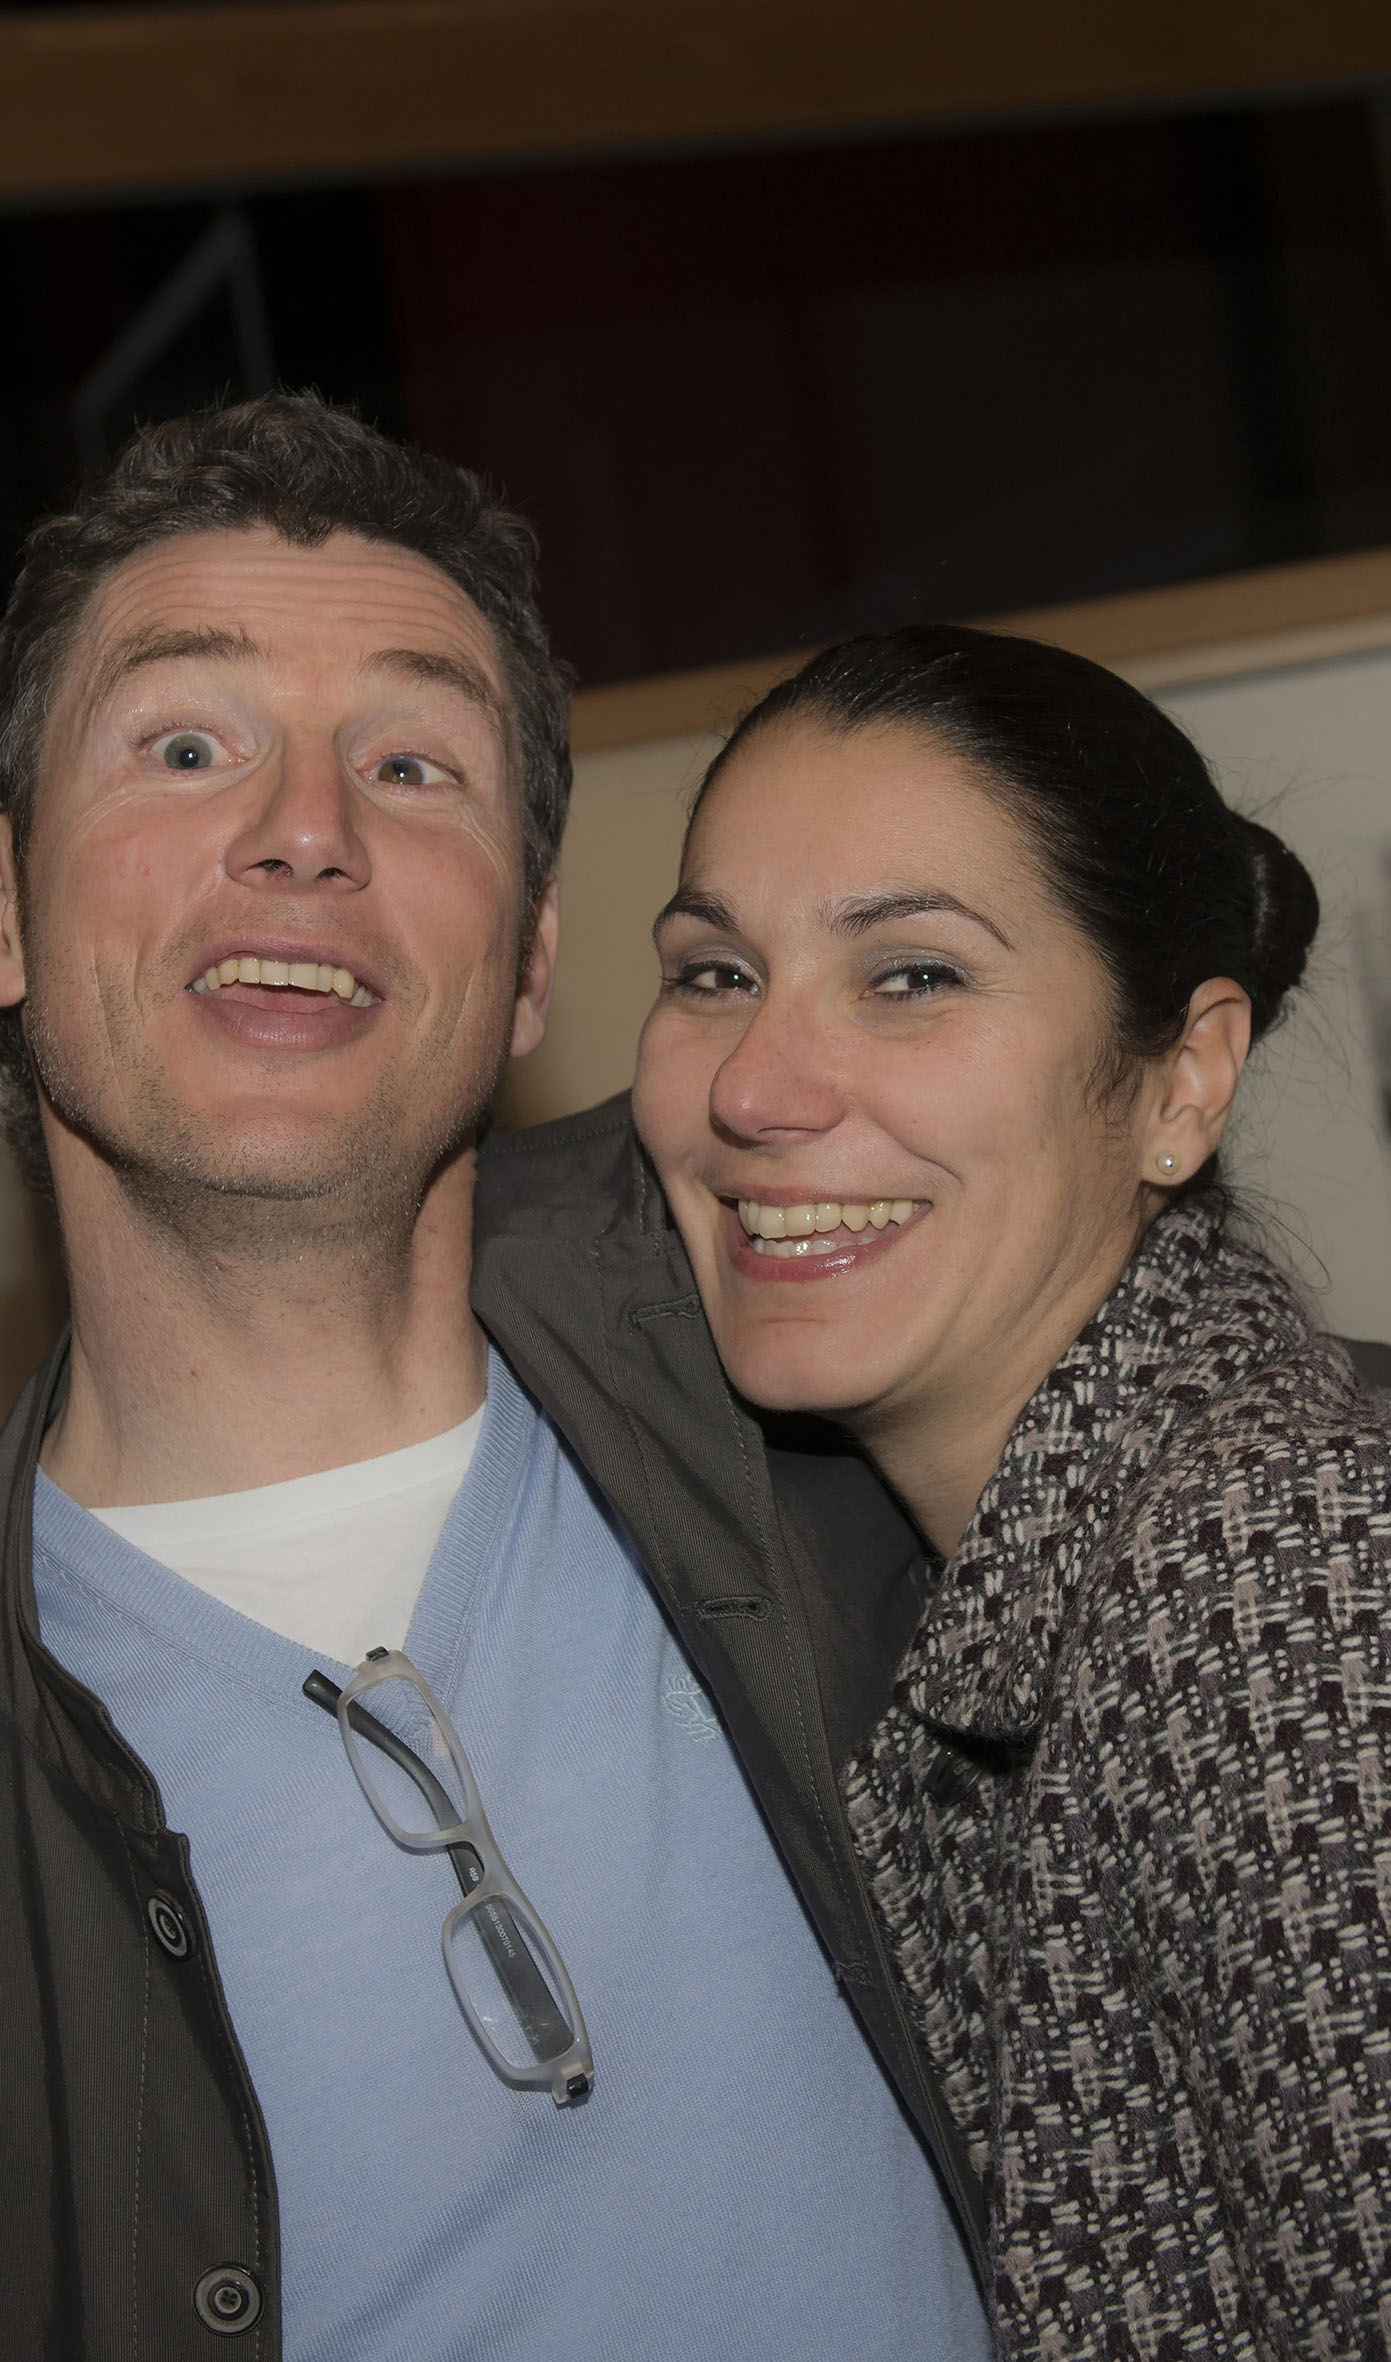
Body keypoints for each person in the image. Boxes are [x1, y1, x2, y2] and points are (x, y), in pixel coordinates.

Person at [0, 400, 990, 2360]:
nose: (306, 825)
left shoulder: (839, 1388)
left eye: (410, 763)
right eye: (184, 745)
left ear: (527, 962)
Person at [627, 623, 1391, 2359]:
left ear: (1182, 1079)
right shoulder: (1024, 1564)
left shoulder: (1275, 1571)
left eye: (911, 976)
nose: (752, 1086)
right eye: (714, 971)